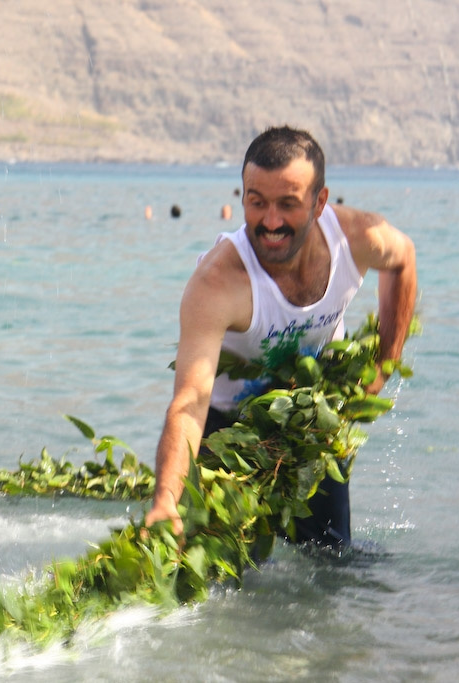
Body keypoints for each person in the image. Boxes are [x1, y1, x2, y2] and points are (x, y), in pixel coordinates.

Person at [144, 126, 417, 549]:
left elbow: (404, 259)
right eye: (257, 203)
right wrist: (166, 498)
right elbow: (190, 400)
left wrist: (383, 366)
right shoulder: (217, 283)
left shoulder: (356, 238)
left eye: (287, 204)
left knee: (332, 558)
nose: (270, 222)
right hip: (227, 431)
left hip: (311, 417)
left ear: (319, 202)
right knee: (222, 570)